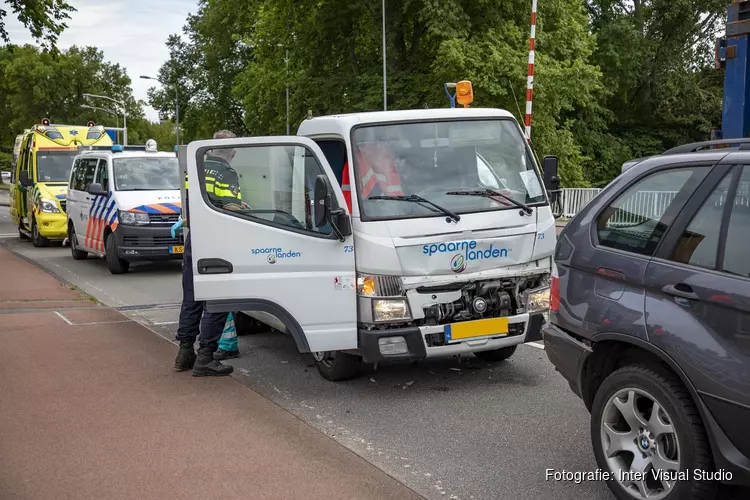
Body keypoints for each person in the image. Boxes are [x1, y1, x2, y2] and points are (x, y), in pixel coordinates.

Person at [173, 129, 246, 376]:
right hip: (218, 240)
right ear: (234, 152)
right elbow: (231, 208)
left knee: (192, 296)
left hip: (195, 238)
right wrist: (243, 209)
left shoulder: (196, 168)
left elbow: (193, 203)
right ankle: (206, 357)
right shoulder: (227, 173)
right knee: (218, 298)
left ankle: (184, 353)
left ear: (212, 149)